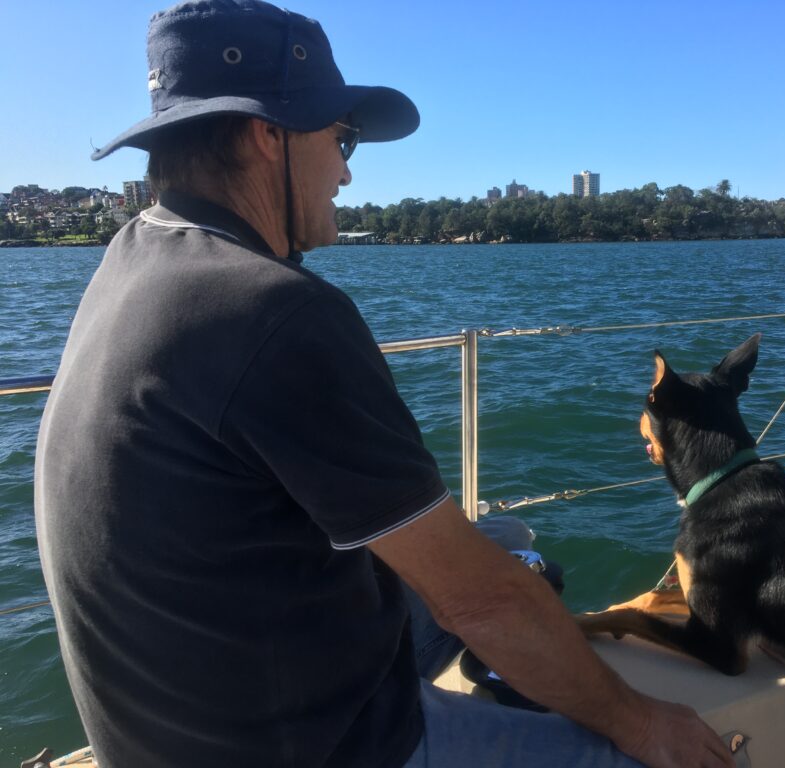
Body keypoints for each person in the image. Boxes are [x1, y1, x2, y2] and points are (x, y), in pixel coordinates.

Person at [34, 2, 734, 767]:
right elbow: (481, 600)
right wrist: (639, 723)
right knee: (609, 712)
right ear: (265, 136)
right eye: (339, 137)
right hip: (311, 746)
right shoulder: (271, 310)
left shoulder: (133, 259)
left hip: (175, 721)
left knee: (506, 543)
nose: (347, 169)